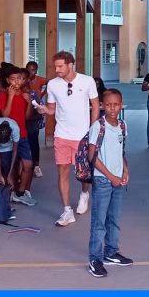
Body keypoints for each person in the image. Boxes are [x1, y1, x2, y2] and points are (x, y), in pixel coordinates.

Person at [38, 51, 100, 226]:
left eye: (60, 66)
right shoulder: (52, 85)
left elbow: (95, 105)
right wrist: (45, 110)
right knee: (62, 171)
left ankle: (84, 194)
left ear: (70, 65)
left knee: (83, 173)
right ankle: (67, 211)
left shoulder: (87, 81)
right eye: (55, 67)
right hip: (62, 135)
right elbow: (52, 109)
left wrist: (93, 130)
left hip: (82, 136)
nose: (56, 70)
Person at [86, 89, 132, 277]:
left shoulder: (122, 125)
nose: (112, 108)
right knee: (99, 222)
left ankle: (111, 252)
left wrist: (125, 169)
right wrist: (111, 176)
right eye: (108, 105)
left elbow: (120, 151)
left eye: (116, 104)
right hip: (103, 180)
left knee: (114, 219)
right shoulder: (98, 126)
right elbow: (92, 156)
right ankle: (95, 259)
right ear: (102, 106)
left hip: (118, 180)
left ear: (121, 105)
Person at [0, 67, 35, 206]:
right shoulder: (3, 95)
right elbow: (5, 115)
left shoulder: (24, 95)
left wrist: (29, 103)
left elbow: (27, 117)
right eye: (13, 79)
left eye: (19, 78)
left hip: (22, 134)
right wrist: (10, 96)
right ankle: (7, 195)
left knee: (28, 165)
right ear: (7, 80)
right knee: (9, 167)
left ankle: (20, 193)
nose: (16, 82)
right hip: (7, 137)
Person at [26, 61, 46, 178]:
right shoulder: (24, 82)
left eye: (32, 70)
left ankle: (36, 166)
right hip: (23, 120)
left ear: (36, 71)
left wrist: (42, 94)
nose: (30, 72)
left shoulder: (38, 81)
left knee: (34, 142)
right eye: (28, 69)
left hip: (35, 113)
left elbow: (50, 82)